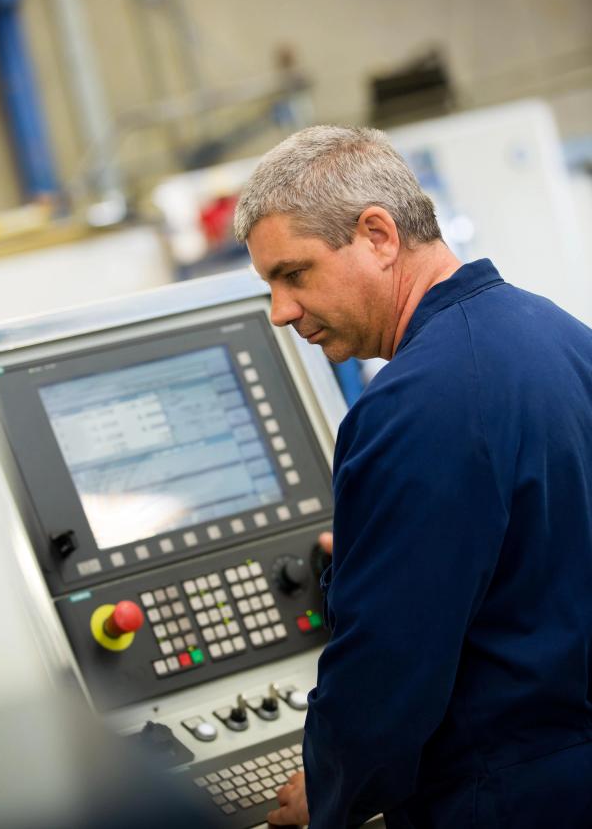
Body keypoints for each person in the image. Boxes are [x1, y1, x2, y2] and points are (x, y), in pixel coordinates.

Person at [233, 126, 592, 828]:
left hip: (500, 794)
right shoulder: (562, 337)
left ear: (378, 234)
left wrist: (331, 791)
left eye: (293, 274)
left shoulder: (411, 407)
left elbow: (385, 676)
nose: (280, 311)